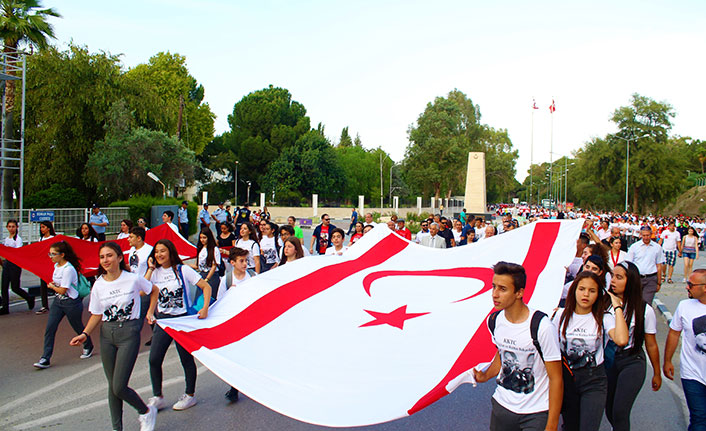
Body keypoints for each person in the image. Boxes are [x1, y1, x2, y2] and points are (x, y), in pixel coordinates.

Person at [69, 242, 158, 431]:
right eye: (102, 257)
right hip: (107, 335)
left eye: (109, 256)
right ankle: (117, 428)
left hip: (129, 333)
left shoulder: (133, 279)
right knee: (112, 387)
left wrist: (150, 312)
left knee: (119, 386)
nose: (105, 260)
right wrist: (85, 333)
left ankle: (145, 411)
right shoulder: (99, 285)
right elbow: (96, 313)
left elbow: (153, 290)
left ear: (119, 258)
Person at [473, 262, 563, 431]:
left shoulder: (542, 326)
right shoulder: (494, 321)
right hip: (502, 407)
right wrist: (486, 376)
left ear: (519, 292)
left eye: (502, 289)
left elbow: (556, 378)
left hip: (535, 413)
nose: (495, 294)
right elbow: (502, 355)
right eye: (494, 287)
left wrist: (552, 424)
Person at [553, 271, 628, 431]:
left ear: (598, 294)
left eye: (592, 290)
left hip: (594, 381)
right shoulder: (560, 316)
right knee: (569, 426)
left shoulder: (603, 317)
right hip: (567, 380)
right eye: (582, 289)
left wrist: (617, 307)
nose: (586, 294)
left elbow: (622, 340)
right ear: (574, 291)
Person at [144, 239, 211, 412]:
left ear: (170, 252)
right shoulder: (154, 272)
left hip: (182, 320)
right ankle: (157, 396)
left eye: (163, 251)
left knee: (186, 359)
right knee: (154, 359)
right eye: (157, 251)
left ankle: (190, 395)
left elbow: (205, 286)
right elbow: (145, 291)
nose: (159, 255)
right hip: (164, 321)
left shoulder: (183, 270)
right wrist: (151, 311)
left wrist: (204, 308)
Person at [605, 261, 662, 431]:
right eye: (613, 276)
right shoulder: (603, 304)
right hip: (608, 361)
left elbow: (651, 344)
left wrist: (657, 373)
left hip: (632, 361)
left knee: (620, 411)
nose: (613, 280)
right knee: (609, 411)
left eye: (619, 277)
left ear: (630, 281)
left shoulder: (644, 310)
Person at [33, 241, 94, 369]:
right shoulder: (57, 266)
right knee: (50, 328)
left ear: (62, 255)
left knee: (78, 327)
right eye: (50, 254)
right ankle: (45, 357)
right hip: (58, 302)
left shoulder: (68, 269)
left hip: (71, 303)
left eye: (53, 254)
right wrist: (54, 286)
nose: (50, 256)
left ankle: (88, 345)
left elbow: (63, 290)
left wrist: (51, 286)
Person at [664, 268, 706, 431]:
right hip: (692, 373)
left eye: (691, 284)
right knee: (699, 419)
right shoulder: (684, 306)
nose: (687, 287)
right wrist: (667, 360)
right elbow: (674, 334)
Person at [223, 247, 252, 403]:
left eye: (246, 260)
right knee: (235, 355)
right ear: (233, 263)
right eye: (241, 261)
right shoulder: (227, 280)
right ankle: (234, 387)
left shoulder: (253, 277)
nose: (245, 264)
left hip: (249, 322)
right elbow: (220, 301)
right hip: (233, 323)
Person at [0, 219, 33, 314]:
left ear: (16, 227)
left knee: (15, 287)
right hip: (7, 264)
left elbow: (17, 253)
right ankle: (5, 307)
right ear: (7, 227)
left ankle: (29, 297)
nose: (11, 229)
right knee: (4, 286)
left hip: (15, 265)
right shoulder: (7, 239)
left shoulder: (18, 239)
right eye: (9, 226)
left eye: (13, 226)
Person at [625, 226, 664, 304]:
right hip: (637, 278)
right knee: (635, 302)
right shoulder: (634, 247)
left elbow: (659, 265)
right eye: (644, 235)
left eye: (648, 235)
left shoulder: (657, 247)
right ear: (640, 235)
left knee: (646, 303)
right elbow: (628, 264)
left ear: (651, 235)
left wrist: (659, 282)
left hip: (651, 279)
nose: (646, 237)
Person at [190, 229, 221, 299]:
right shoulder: (200, 249)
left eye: (204, 238)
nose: (202, 240)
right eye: (201, 238)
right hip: (202, 275)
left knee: (211, 298)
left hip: (212, 276)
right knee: (199, 299)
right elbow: (197, 266)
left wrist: (207, 279)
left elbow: (214, 266)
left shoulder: (214, 249)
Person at [35, 221, 56, 314]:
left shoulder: (53, 238)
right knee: (43, 285)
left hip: (52, 264)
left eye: (43, 227)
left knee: (55, 283)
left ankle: (59, 303)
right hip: (43, 265)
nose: (41, 229)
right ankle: (44, 305)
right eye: (41, 227)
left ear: (48, 228)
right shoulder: (40, 239)